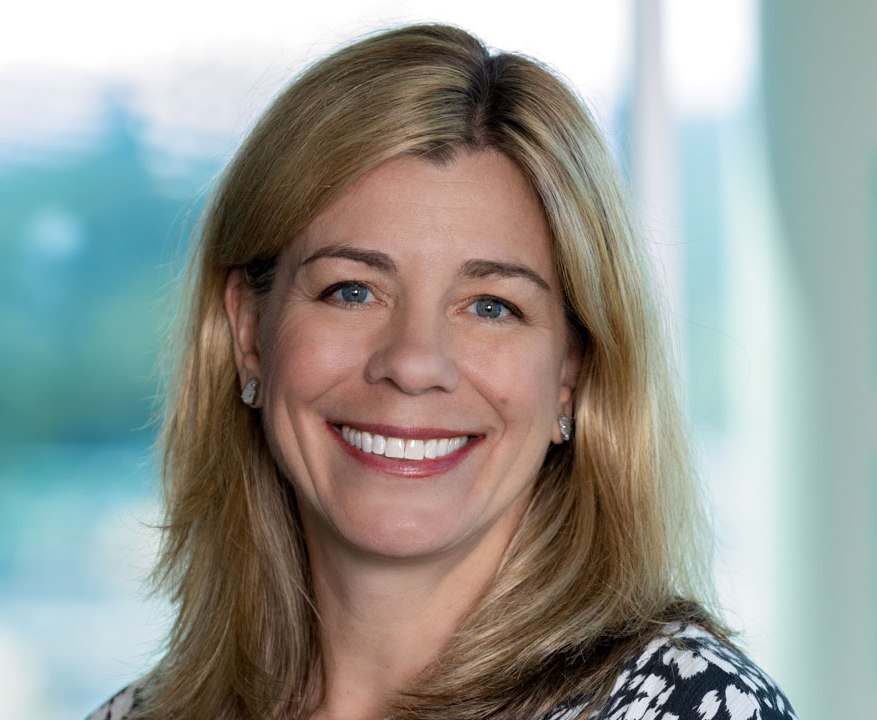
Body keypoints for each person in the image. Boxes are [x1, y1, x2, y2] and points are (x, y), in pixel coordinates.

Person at [88, 23, 798, 720]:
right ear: (249, 332)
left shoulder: (689, 706)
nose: (413, 363)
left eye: (490, 306)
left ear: (571, 373)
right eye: (352, 291)